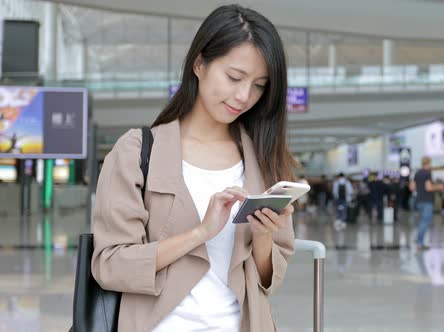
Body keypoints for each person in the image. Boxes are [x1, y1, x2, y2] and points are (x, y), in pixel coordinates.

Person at [90, 5, 297, 331]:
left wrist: (263, 236)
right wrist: (200, 233)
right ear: (199, 64)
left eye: (260, 85)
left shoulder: (264, 158)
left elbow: (269, 280)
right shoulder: (137, 152)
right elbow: (111, 265)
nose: (244, 95)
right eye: (234, 77)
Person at [412, 157, 444, 249]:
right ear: (428, 163)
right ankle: (420, 243)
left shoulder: (417, 173)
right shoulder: (428, 173)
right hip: (427, 201)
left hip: (418, 201)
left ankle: (418, 240)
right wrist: (439, 187)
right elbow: (429, 188)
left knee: (421, 222)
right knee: (425, 222)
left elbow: (412, 187)